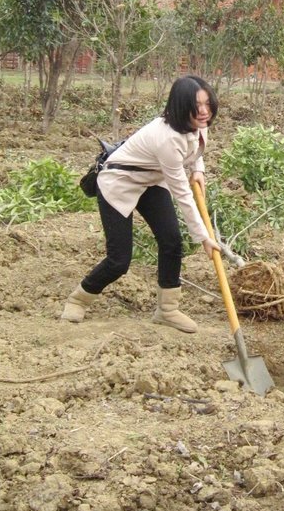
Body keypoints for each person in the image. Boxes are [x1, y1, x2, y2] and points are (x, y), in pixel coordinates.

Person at [61, 75, 219, 332]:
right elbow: (182, 194)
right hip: (119, 182)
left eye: (207, 103)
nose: (204, 111)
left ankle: (167, 310)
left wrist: (198, 169)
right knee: (119, 260)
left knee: (171, 241)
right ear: (181, 107)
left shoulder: (198, 123)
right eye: (196, 105)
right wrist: (203, 237)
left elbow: (195, 148)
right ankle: (79, 299)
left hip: (150, 180)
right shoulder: (167, 139)